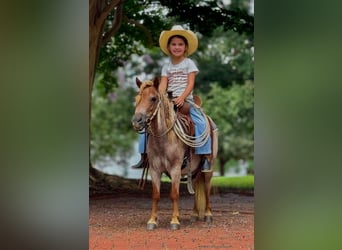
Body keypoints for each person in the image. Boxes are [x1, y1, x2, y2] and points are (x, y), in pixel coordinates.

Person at [132, 25, 212, 172]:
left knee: (201, 121)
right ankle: (144, 156)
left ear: (186, 47)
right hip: (168, 101)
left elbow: (190, 83)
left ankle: (205, 156)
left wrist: (182, 97)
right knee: (148, 123)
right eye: (173, 44)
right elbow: (163, 84)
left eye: (180, 44)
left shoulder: (189, 63)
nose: (177, 47)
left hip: (186, 100)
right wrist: (160, 96)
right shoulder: (166, 66)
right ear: (169, 47)